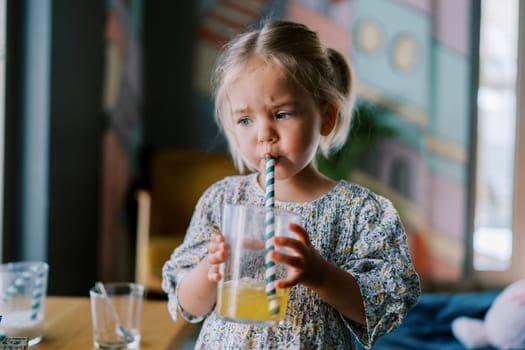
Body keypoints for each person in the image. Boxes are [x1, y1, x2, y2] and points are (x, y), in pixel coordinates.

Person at [162, 20, 420, 349]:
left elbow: (381, 308)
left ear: (326, 118)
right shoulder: (223, 200)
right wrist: (208, 270)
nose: (263, 134)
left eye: (282, 114)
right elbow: (189, 306)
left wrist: (319, 274)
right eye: (245, 119)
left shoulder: (361, 212)